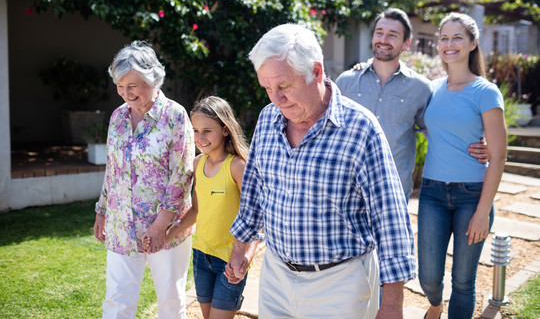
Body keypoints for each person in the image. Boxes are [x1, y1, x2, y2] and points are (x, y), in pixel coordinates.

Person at [224, 23, 416, 319]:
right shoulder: (268, 118)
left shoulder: (360, 129)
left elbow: (389, 218)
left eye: (284, 86)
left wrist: (392, 303)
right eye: (267, 88)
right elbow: (255, 188)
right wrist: (242, 244)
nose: (276, 99)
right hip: (276, 274)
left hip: (340, 283)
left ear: (316, 71)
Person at [336, 8, 488, 200]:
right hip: (347, 186)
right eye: (379, 32)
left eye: (393, 35)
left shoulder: (420, 88)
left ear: (406, 43)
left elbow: (438, 130)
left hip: (394, 188)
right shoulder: (346, 82)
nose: (383, 39)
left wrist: (480, 144)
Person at [93, 41, 195, 319]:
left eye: (133, 85)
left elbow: (182, 174)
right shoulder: (117, 117)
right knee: (116, 299)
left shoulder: (175, 116)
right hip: (120, 224)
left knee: (170, 300)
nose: (125, 93)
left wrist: (161, 225)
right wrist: (102, 211)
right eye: (120, 86)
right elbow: (112, 168)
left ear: (153, 80)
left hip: (166, 228)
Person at [418, 13, 507, 319]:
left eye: (457, 37)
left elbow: (499, 156)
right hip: (431, 193)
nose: (449, 44)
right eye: (443, 37)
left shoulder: (485, 92)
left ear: (472, 44)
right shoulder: (432, 88)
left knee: (463, 282)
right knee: (428, 277)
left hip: (472, 196)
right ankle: (435, 303)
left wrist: (483, 211)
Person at [152, 96, 258, 319]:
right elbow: (196, 211)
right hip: (201, 257)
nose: (200, 138)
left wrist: (246, 257)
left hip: (230, 261)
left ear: (225, 129)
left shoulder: (238, 166)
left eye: (207, 131)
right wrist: (167, 234)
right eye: (196, 130)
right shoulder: (198, 164)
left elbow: (254, 217)